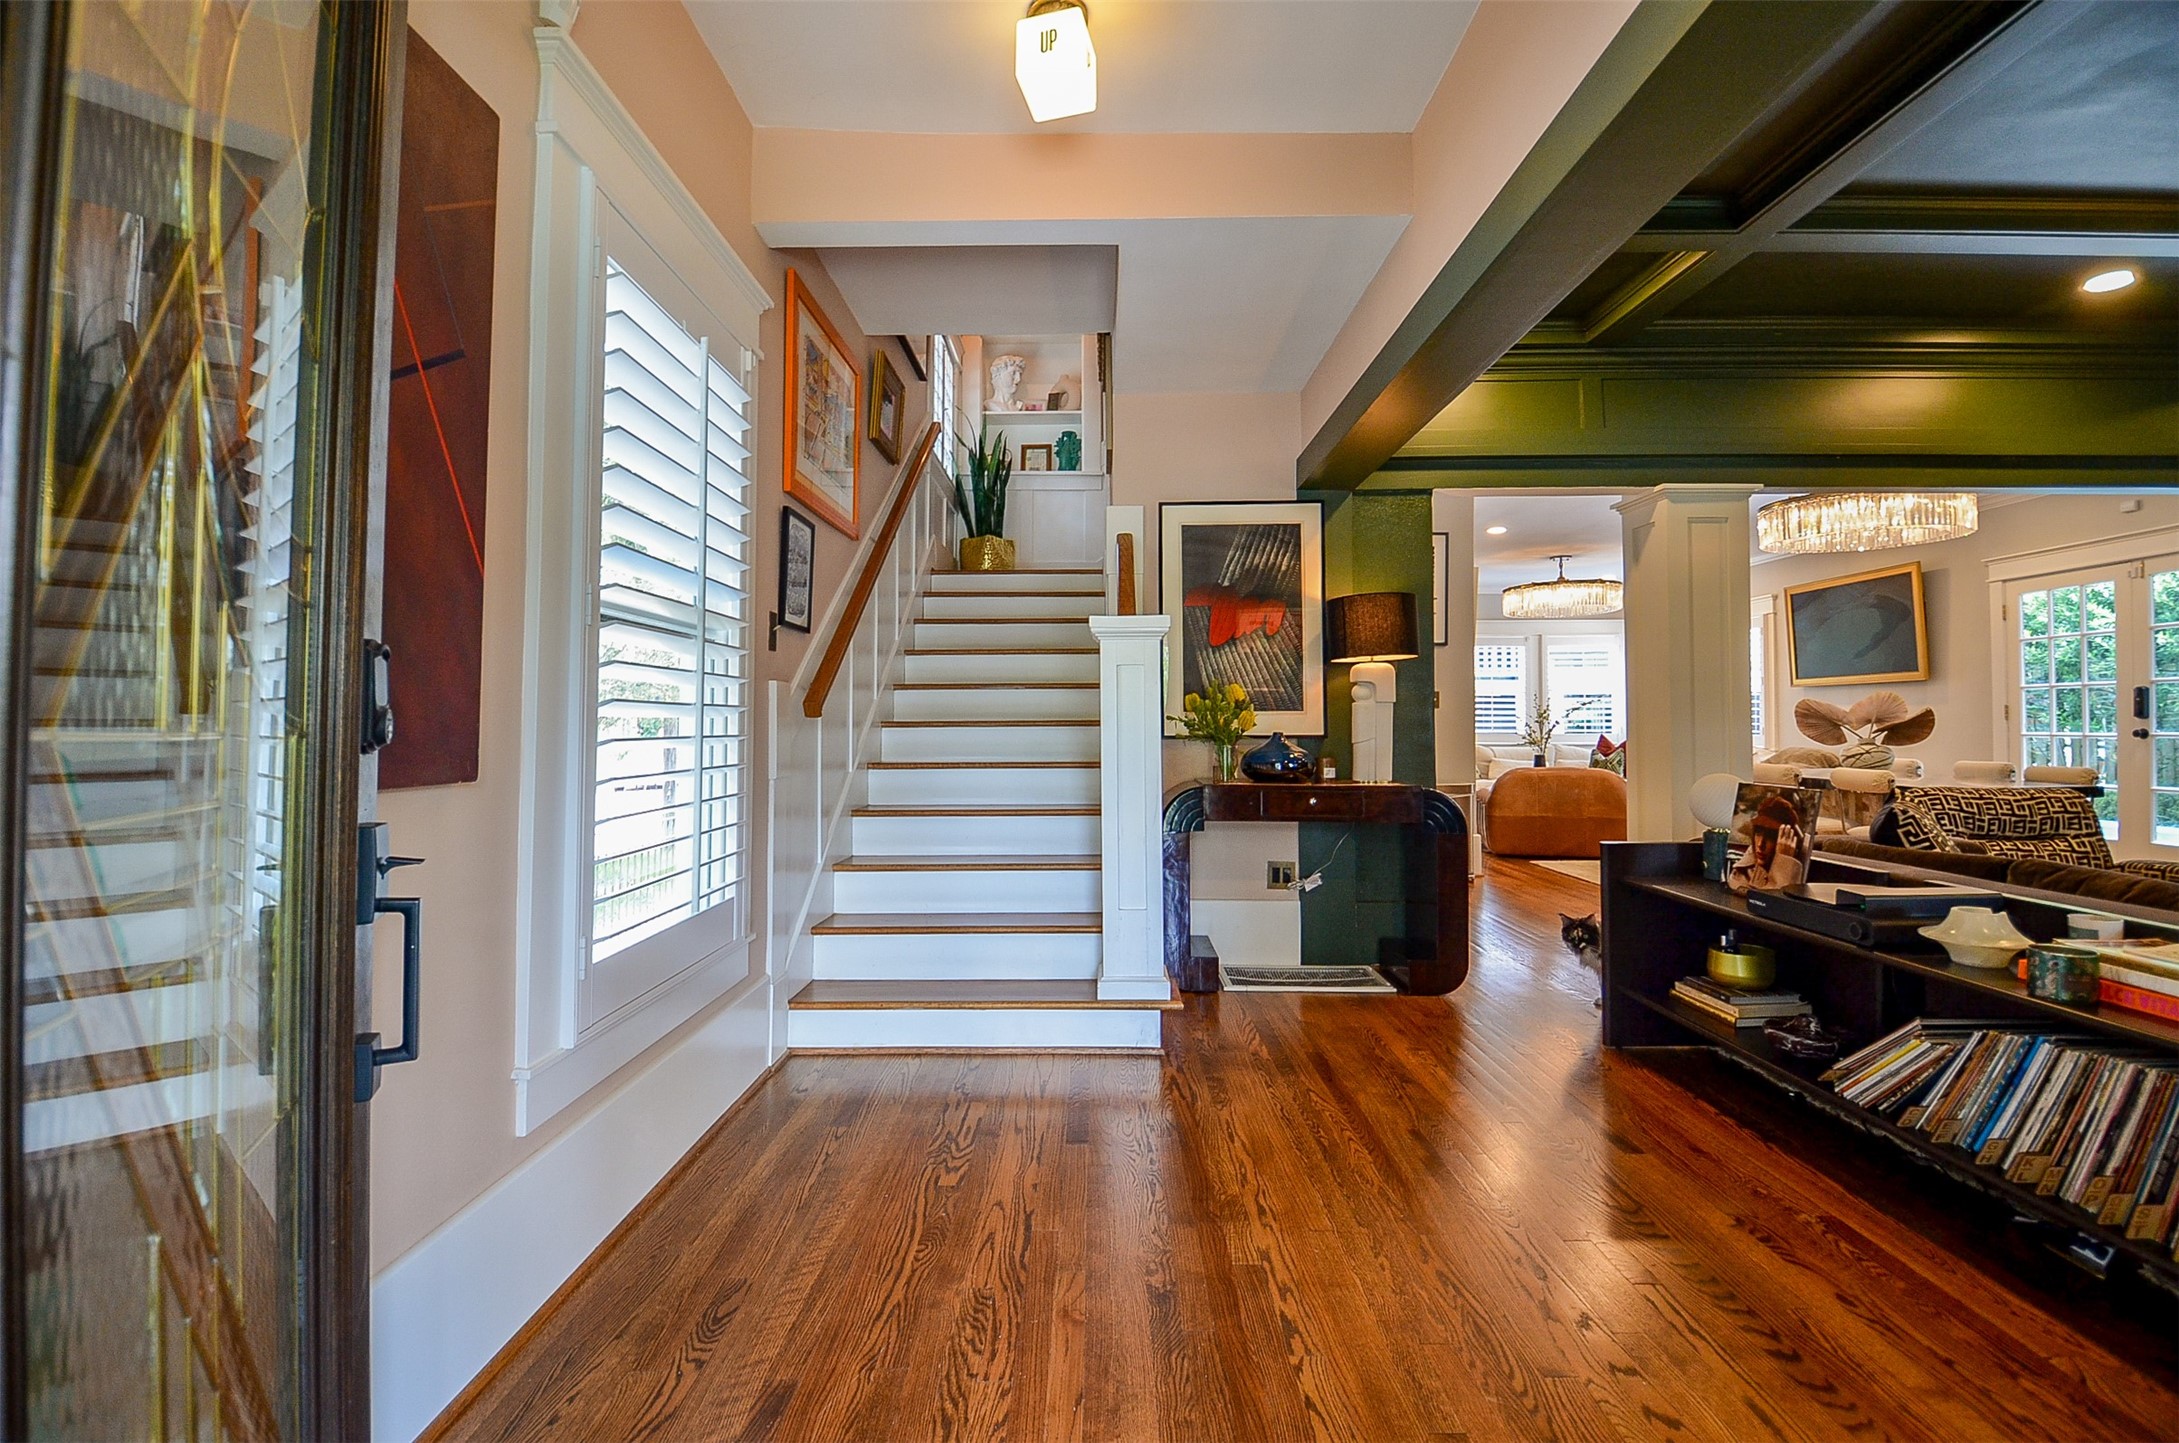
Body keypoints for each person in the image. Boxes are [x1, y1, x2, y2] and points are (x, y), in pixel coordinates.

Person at [1729, 794, 1808, 893]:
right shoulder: (1748, 864)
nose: (1760, 844)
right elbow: (1735, 884)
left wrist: (1785, 861)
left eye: (1770, 836)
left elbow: (1778, 902)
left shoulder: (1798, 857)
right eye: (1758, 833)